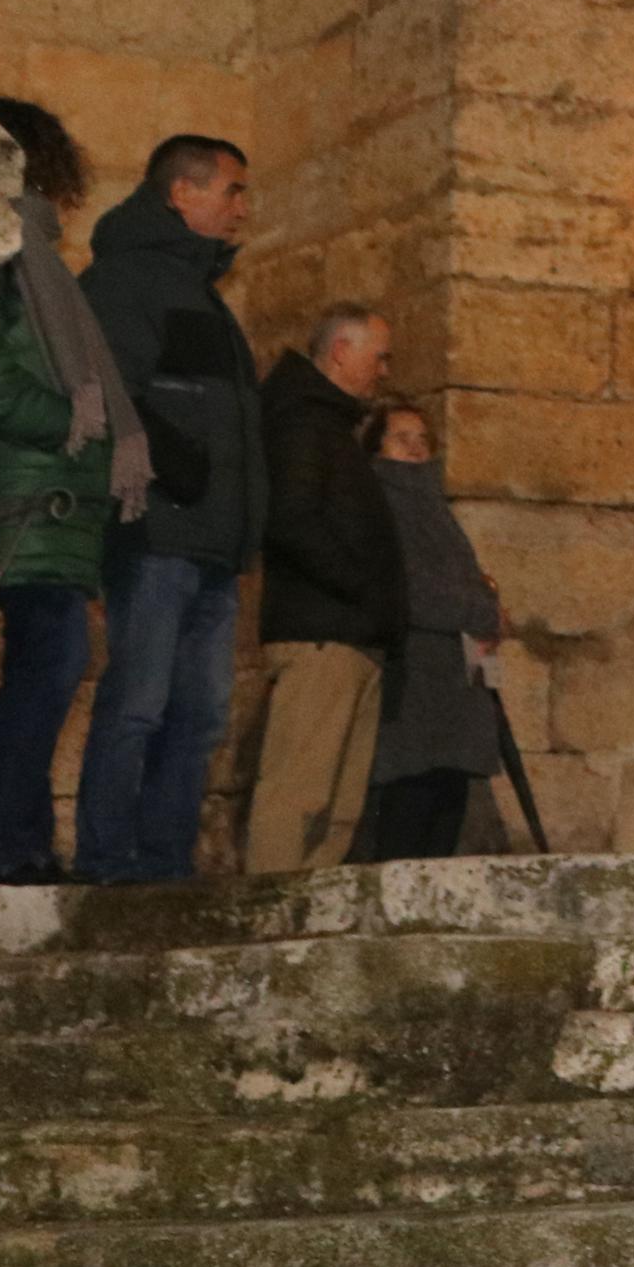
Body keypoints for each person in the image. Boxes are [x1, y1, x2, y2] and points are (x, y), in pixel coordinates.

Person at [0, 98, 149, 887]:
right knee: (49, 668)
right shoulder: (6, 263)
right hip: (23, 503)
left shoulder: (38, 266)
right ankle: (4, 847)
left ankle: (25, 845)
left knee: (48, 671)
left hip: (55, 510)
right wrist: (80, 428)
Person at [73, 134, 264, 884]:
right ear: (183, 192)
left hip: (211, 540)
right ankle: (107, 860)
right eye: (233, 189)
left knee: (200, 714)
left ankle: (163, 861)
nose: (242, 206)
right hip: (157, 530)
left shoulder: (202, 291)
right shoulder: (127, 280)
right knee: (139, 703)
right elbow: (116, 395)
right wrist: (177, 478)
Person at [248, 304, 407, 874]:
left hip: (351, 633)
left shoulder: (330, 424)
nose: (384, 371)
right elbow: (292, 520)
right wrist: (360, 588)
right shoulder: (301, 419)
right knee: (299, 793)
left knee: (338, 809)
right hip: (323, 631)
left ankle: (305, 929)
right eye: (378, 356)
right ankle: (268, 922)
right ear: (341, 349)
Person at [360, 400, 503, 860]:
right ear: (377, 447)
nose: (417, 449)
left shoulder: (431, 506)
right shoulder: (383, 504)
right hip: (417, 674)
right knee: (413, 792)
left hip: (454, 675)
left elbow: (468, 580)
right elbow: (413, 589)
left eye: (423, 439)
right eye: (402, 439)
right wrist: (481, 609)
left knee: (448, 792)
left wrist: (483, 604)